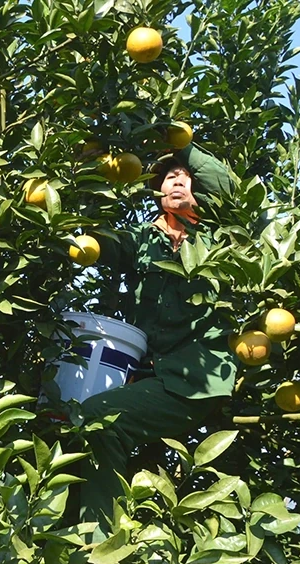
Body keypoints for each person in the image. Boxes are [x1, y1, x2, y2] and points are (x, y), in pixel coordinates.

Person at [71, 143, 237, 541]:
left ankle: (98, 545)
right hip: (149, 376)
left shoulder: (221, 235)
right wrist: (86, 175)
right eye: (168, 177)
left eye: (186, 177)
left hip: (195, 380)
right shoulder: (142, 240)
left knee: (99, 421)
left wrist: (180, 142)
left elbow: (228, 186)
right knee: (79, 428)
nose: (177, 181)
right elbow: (98, 244)